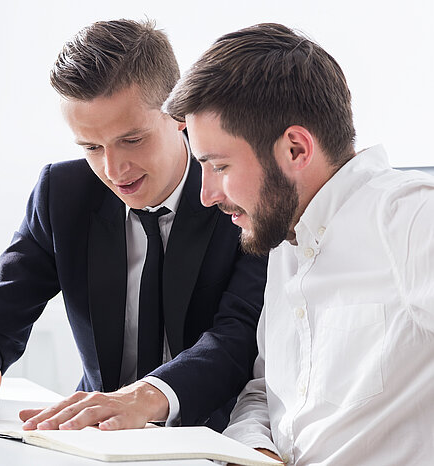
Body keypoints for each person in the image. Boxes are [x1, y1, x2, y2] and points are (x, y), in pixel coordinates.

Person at [0, 19, 267, 433]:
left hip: (212, 440)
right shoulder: (63, 195)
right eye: (91, 146)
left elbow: (238, 336)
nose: (113, 170)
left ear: (180, 116)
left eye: (132, 139)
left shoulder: (236, 195)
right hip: (92, 443)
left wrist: (148, 396)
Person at [164, 22, 434, 465]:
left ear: (295, 149)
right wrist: (256, 445)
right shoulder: (286, 241)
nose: (206, 194)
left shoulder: (410, 219)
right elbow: (269, 393)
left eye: (219, 165)